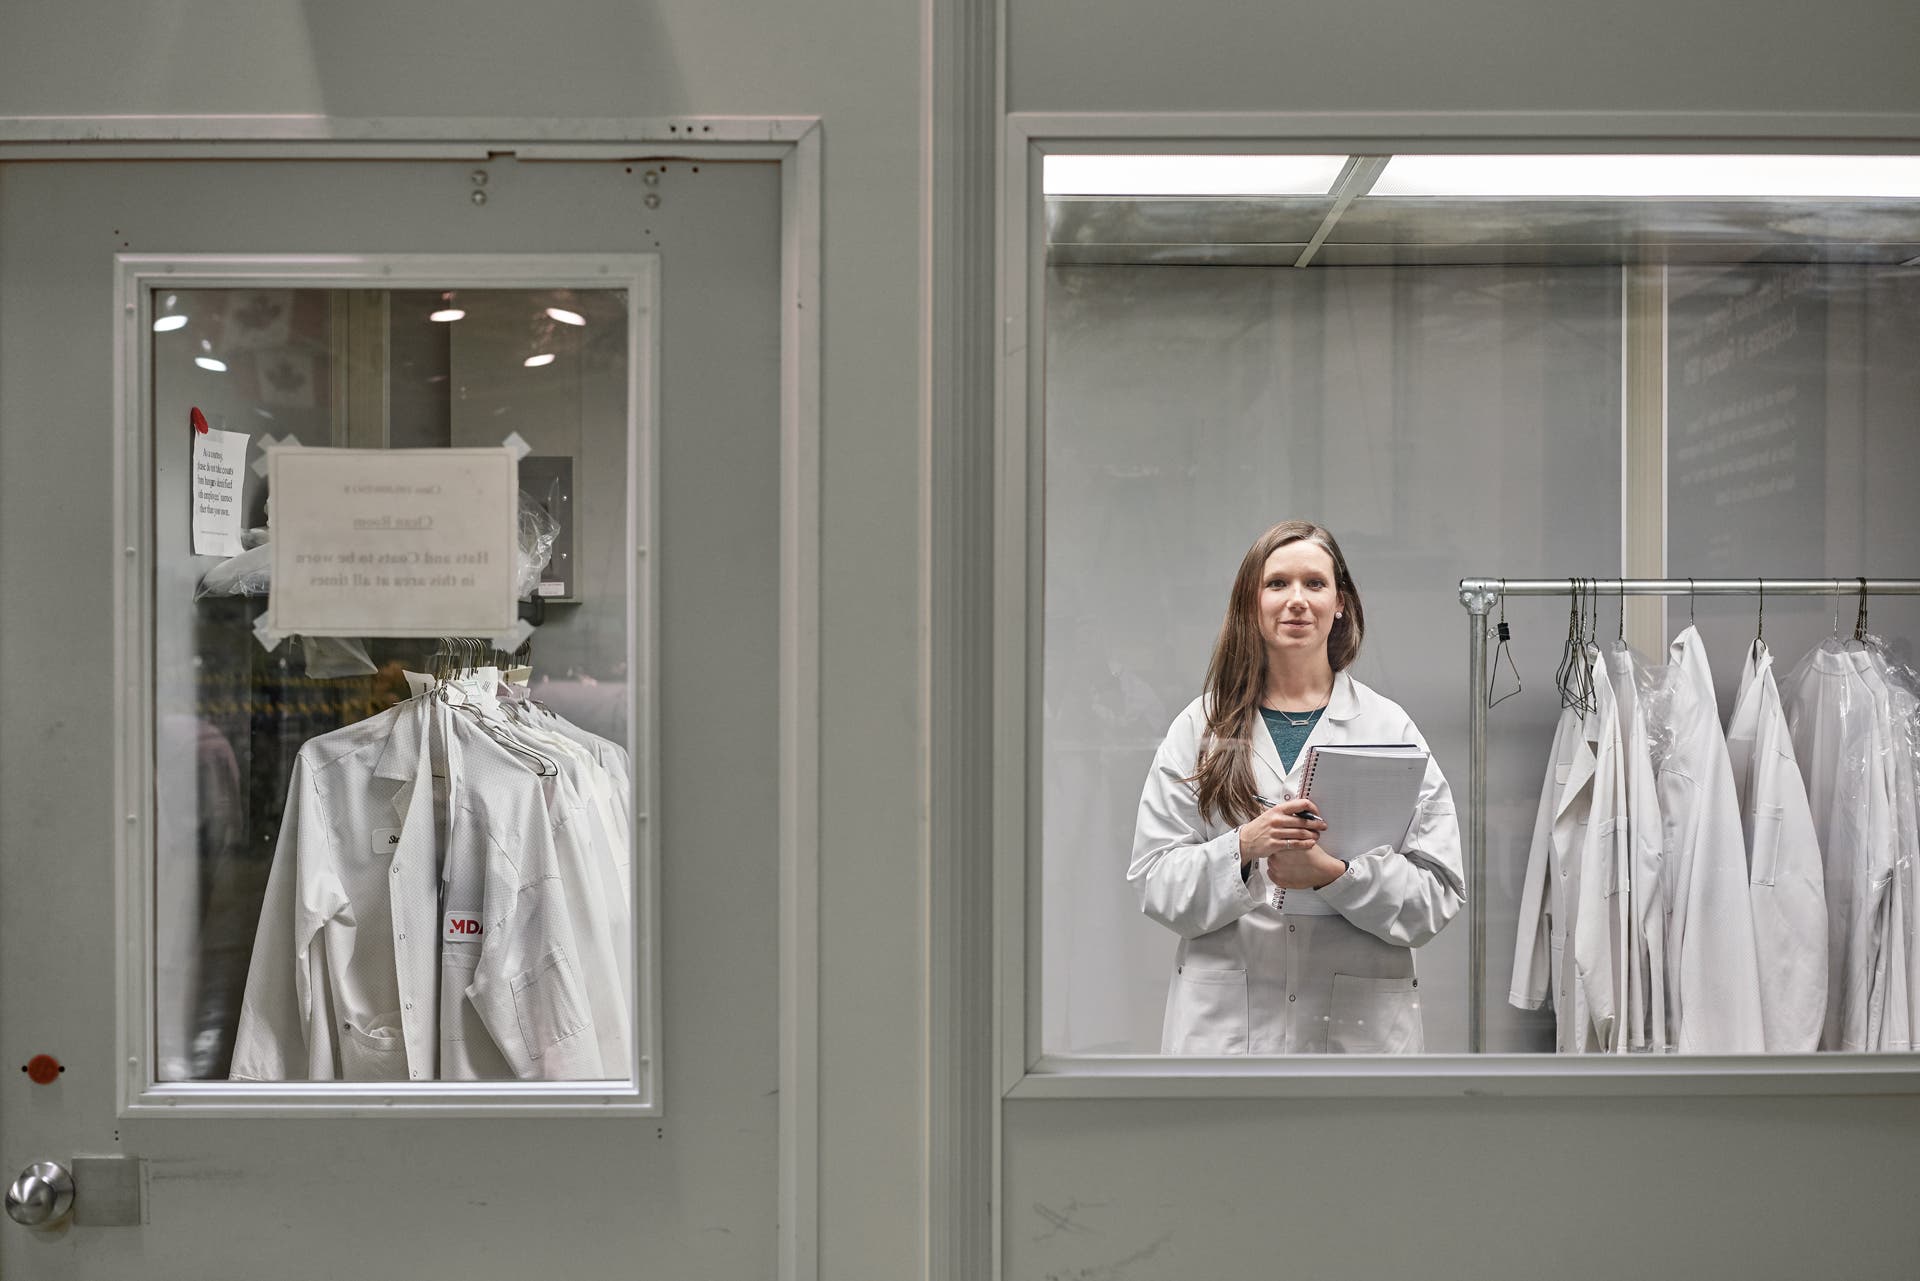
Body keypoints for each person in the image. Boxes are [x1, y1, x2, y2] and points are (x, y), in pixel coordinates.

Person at [1129, 520, 1465, 1054]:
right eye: (1277, 583)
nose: (1297, 601)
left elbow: (1437, 895)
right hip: (1228, 1030)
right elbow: (1156, 883)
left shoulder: (1389, 729)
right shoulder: (1200, 728)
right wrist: (1243, 848)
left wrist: (1333, 876)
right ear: (1250, 603)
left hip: (1356, 1031)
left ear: (1341, 605)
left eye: (1315, 584)